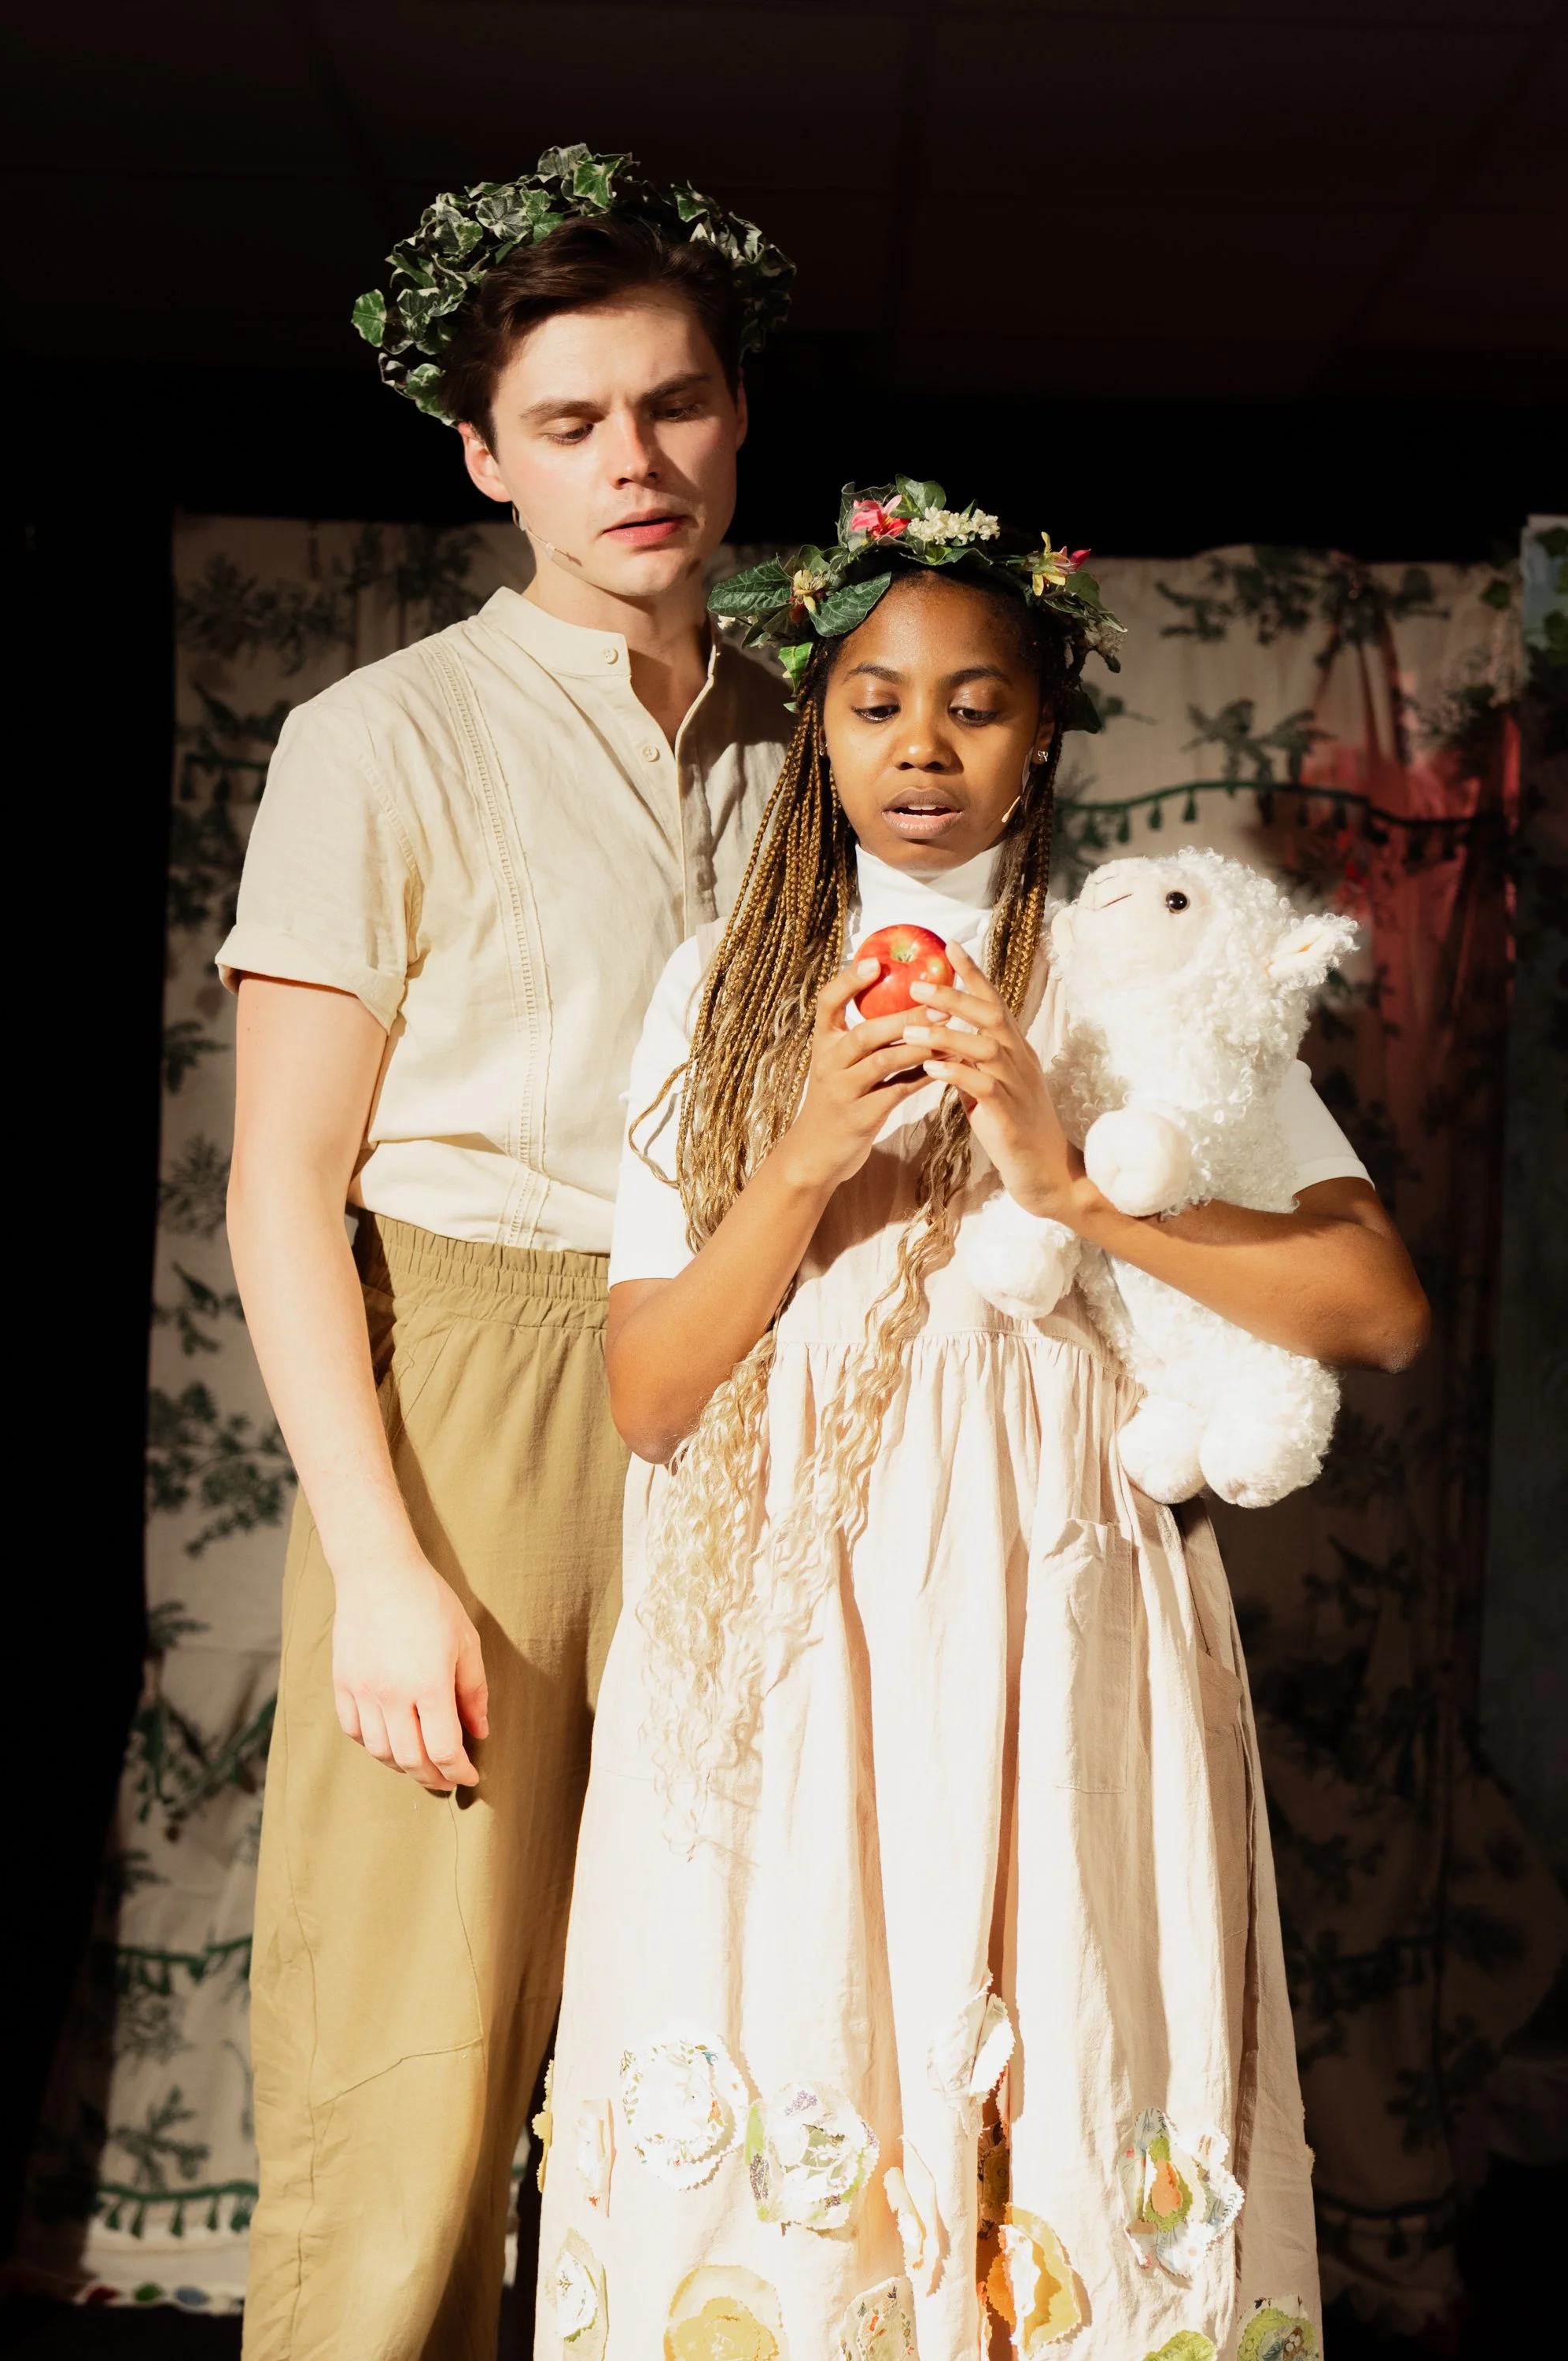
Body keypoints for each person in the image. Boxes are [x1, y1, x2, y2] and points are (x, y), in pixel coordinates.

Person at [533, 481, 1430, 2360]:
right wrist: (794, 1165)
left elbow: (1378, 1309)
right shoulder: (721, 993)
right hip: (789, 1616)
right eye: (872, 700)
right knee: (810, 2032)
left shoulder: (1132, 961)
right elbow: (647, 1393)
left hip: (1055, 1602)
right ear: (818, 729)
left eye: (975, 702)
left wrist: (1074, 1182)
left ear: (1040, 739)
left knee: (1065, 2031)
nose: (921, 745)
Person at [219, 148, 794, 2361]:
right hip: (476, 1394)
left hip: (757, 1390)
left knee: (738, 2053)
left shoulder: (824, 737)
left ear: (736, 414)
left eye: (671, 405)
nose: (631, 462)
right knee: (418, 2070)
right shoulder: (379, 743)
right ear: (483, 455)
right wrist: (379, 1558)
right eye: (569, 422)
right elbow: (283, 1187)